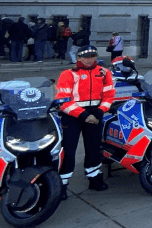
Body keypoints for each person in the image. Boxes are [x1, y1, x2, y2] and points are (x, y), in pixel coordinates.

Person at [55, 45, 115, 199]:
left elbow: (109, 96)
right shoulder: (68, 74)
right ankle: (61, 185)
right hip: (73, 116)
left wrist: (100, 111)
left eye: (92, 56)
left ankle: (94, 179)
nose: (89, 59)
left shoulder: (104, 72)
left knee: (94, 148)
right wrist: (83, 115)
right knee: (68, 151)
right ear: (78, 58)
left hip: (95, 115)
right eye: (86, 56)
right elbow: (63, 101)